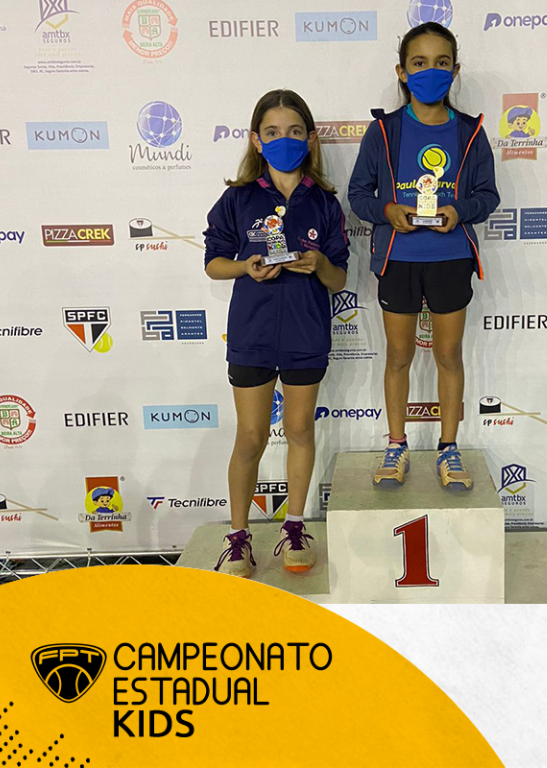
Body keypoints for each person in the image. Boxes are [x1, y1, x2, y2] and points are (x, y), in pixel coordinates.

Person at [348, 21, 500, 491]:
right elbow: (358, 194)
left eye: (441, 63)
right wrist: (387, 210)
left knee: (449, 355)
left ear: (454, 71)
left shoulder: (470, 132)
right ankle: (396, 445)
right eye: (419, 63)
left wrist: (460, 211)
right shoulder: (384, 131)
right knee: (399, 355)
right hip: (398, 260)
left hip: (450, 258)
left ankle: (448, 447)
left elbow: (487, 195)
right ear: (402, 71)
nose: (430, 71)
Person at [203, 89, 349, 578]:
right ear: (255, 140)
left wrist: (319, 264)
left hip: (307, 333)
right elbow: (213, 263)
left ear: (309, 139)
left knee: (300, 429)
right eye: (272, 132)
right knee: (251, 435)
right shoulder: (238, 198)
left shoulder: (325, 203)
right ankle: (238, 537)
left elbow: (339, 278)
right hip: (253, 333)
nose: (283, 140)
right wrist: (245, 266)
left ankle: (294, 526)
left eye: (293, 131)